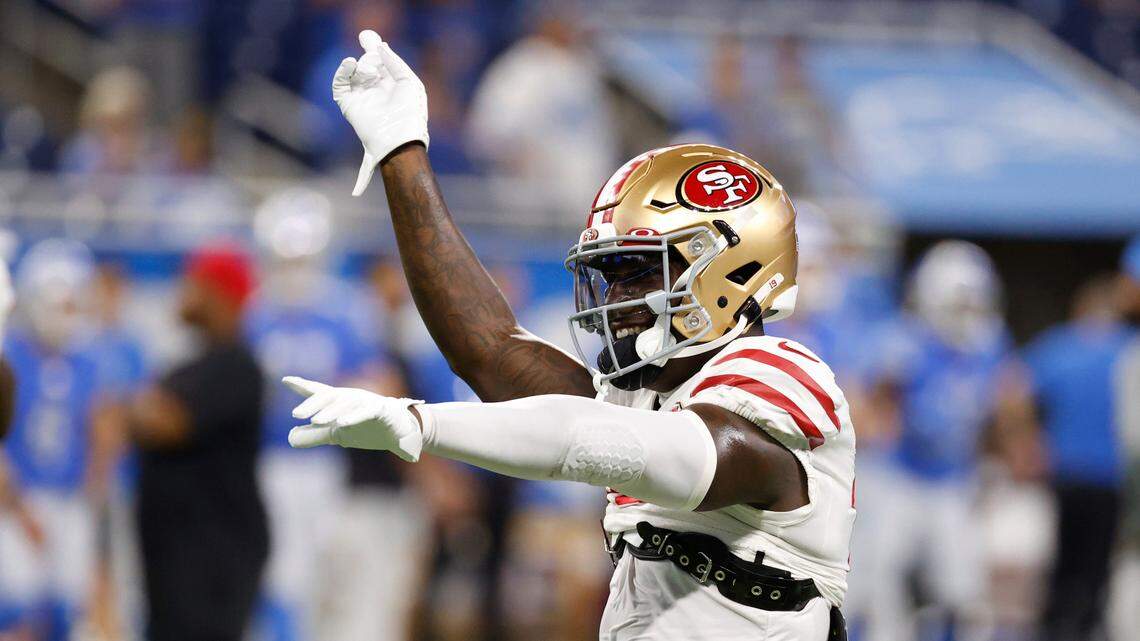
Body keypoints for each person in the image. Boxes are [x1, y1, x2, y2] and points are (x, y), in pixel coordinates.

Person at [285, 31, 856, 641]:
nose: (614, 299)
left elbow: (615, 444)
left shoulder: (779, 377)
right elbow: (493, 350)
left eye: (638, 271)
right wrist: (402, 151)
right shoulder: (650, 396)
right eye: (608, 275)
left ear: (733, 271)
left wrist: (425, 423)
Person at [128, 244, 268, 641]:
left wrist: (129, 409)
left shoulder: (235, 365)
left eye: (195, 282)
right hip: (178, 556)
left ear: (219, 294)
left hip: (212, 559)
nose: (184, 290)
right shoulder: (191, 365)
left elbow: (166, 423)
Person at [1023, 266, 1137, 641]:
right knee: (1098, 566)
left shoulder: (1059, 345)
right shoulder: (1126, 349)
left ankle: (1059, 627)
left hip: (1069, 471)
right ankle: (1085, 627)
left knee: (1063, 563)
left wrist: (1027, 442)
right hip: (1108, 475)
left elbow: (1012, 390)